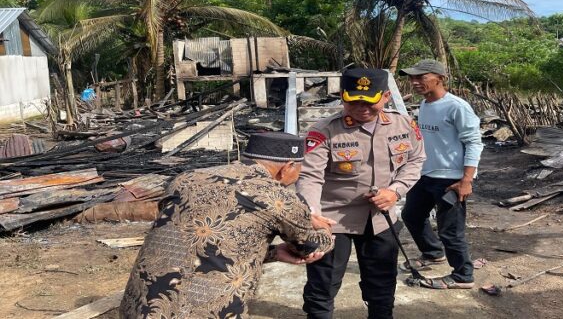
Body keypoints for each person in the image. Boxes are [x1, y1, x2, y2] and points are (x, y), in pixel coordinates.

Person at [119, 132, 334, 318]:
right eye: (300, 169)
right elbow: (310, 247)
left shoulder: (185, 179)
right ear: (287, 168)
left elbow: (197, 242)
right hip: (205, 309)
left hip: (140, 304)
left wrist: (273, 253)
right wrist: (322, 227)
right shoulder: (278, 197)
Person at [297, 68, 426, 319]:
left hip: (381, 218)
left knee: (382, 285)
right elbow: (309, 177)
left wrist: (395, 191)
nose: (361, 107)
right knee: (323, 286)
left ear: (386, 96)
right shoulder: (324, 130)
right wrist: (313, 215)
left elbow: (416, 159)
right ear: (343, 97)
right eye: (353, 100)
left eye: (369, 100)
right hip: (333, 220)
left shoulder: (403, 123)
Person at [399, 59, 483, 289]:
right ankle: (433, 253)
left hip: (451, 179)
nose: (415, 82)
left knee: (450, 230)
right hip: (425, 174)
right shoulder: (425, 105)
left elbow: (474, 142)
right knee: (412, 216)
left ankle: (463, 275)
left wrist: (466, 180)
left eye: (421, 77)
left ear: (440, 78)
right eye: (412, 78)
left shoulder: (456, 106)